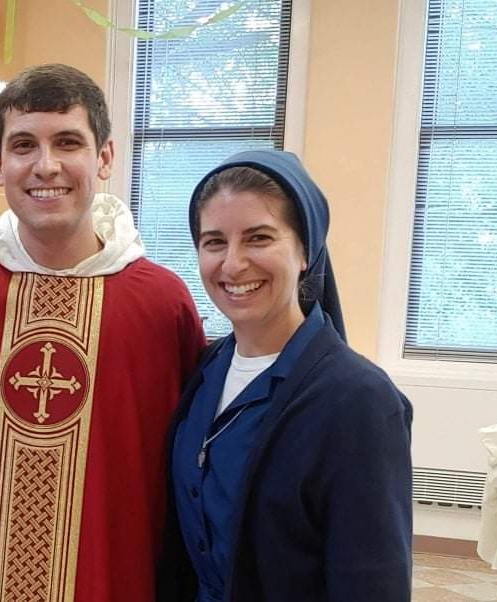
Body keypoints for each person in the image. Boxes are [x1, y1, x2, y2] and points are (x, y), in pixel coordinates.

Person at [0, 64, 204, 602]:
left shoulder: (161, 306)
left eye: (68, 142)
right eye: (23, 145)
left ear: (104, 157)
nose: (46, 165)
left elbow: (187, 481)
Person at [166, 150, 412, 601]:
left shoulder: (359, 401)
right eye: (214, 242)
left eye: (259, 238)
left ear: (305, 251)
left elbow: (372, 583)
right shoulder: (202, 372)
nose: (233, 264)